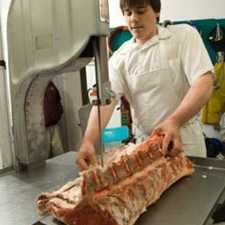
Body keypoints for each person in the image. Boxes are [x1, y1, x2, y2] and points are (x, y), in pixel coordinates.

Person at [76, 0, 214, 170]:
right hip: (145, 146)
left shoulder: (183, 36)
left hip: (184, 141)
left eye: (140, 11)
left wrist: (174, 121)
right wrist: (89, 141)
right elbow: (106, 100)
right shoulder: (120, 57)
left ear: (156, 12)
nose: (133, 19)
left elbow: (204, 82)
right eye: (128, 13)